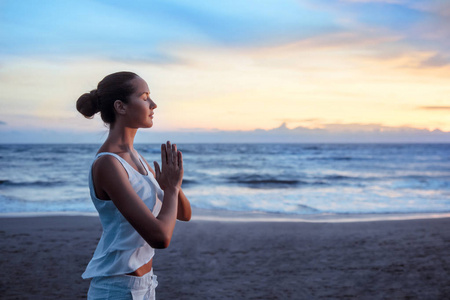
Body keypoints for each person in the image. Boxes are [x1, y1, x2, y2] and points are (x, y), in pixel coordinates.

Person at [76, 71, 191, 299]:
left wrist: (172, 186)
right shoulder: (109, 164)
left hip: (146, 285)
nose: (153, 104)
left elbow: (184, 214)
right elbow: (160, 238)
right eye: (145, 96)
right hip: (117, 288)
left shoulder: (136, 157)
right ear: (121, 107)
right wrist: (171, 189)